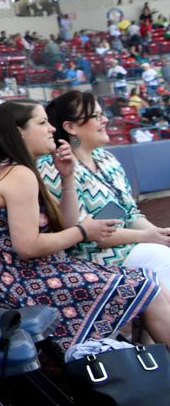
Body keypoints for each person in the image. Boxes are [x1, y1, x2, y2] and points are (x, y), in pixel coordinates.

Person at [0, 99, 170, 352]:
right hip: (13, 284)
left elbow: (64, 224)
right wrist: (83, 231)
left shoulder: (19, 170)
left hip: (21, 276)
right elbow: (28, 246)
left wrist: (67, 177)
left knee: (147, 282)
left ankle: (151, 367)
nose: (51, 129)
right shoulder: (18, 174)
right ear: (19, 132)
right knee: (146, 287)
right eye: (42, 123)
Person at [38, 91, 170, 283]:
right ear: (71, 127)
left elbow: (131, 214)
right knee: (162, 259)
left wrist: (159, 235)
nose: (105, 120)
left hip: (127, 246)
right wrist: (145, 236)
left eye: (103, 114)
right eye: (96, 116)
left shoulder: (106, 158)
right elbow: (83, 233)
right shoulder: (53, 165)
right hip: (89, 259)